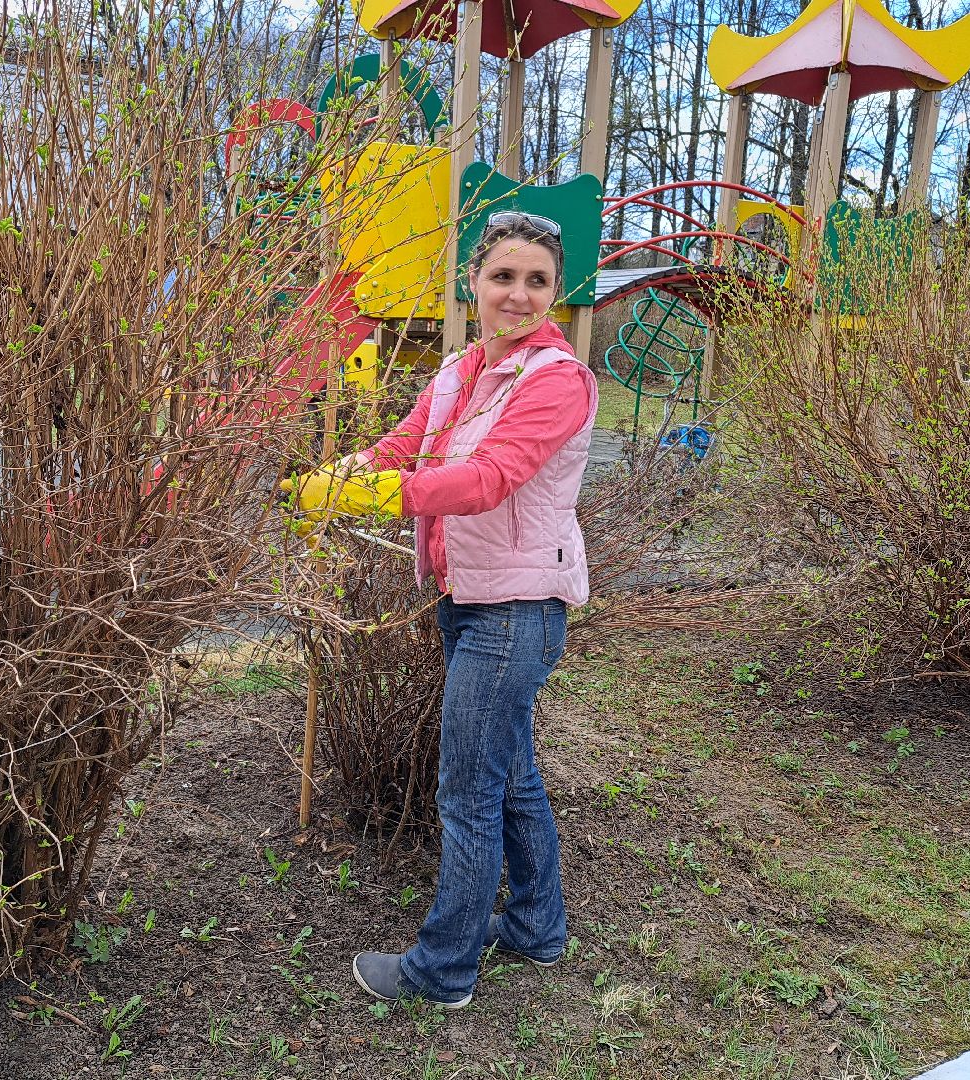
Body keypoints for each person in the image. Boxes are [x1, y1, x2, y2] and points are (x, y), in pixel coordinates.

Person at [284, 210, 599, 1009]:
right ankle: (535, 927)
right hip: (469, 601)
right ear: (475, 282)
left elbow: (487, 479)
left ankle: (443, 971)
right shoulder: (459, 372)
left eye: (536, 282)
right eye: (503, 276)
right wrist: (330, 479)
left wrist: (374, 494)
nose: (519, 295)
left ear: (556, 294)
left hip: (516, 611)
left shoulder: (556, 381)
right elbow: (404, 444)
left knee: (466, 793)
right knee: (512, 777)